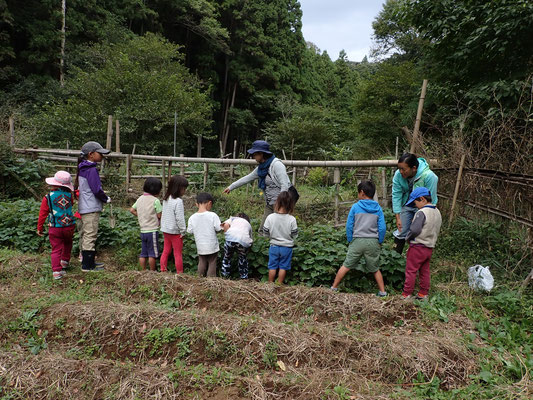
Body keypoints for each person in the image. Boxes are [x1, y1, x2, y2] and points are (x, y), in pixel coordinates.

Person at [331, 180, 387, 296]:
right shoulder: (378, 208)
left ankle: (333, 287)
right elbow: (382, 228)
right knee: (375, 268)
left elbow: (349, 225)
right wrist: (379, 241)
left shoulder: (355, 207)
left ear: (362, 193)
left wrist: (350, 239)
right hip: (372, 242)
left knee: (346, 265)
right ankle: (382, 292)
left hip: (357, 241)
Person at [223, 140, 293, 232]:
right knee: (263, 231)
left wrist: (281, 204)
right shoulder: (261, 168)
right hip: (270, 204)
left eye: (255, 154)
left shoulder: (277, 165)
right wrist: (231, 187)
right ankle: (265, 245)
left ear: (262, 154)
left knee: (279, 232)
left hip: (281, 204)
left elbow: (285, 185)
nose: (253, 156)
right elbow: (247, 178)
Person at [392, 153, 438, 254]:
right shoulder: (398, 175)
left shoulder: (429, 176)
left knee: (420, 233)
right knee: (401, 230)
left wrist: (419, 216)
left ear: (414, 168)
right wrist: (398, 216)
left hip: (423, 208)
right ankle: (394, 258)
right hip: (406, 204)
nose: (401, 172)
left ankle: (416, 259)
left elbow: (431, 200)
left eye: (403, 169)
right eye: (399, 168)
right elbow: (396, 194)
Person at [401, 187, 442, 301]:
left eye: (415, 203)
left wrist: (408, 238)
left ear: (422, 199)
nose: (415, 206)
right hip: (429, 246)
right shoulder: (437, 211)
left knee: (411, 270)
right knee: (424, 271)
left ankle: (406, 294)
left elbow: (414, 230)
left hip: (418, 246)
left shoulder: (421, 212)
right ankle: (423, 294)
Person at [76, 141, 111, 272]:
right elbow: (96, 189)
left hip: (85, 206)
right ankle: (87, 266)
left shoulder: (83, 168)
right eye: (99, 153)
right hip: (90, 207)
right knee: (90, 235)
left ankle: (90, 262)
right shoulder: (90, 170)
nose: (102, 156)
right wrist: (106, 198)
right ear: (91, 154)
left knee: (87, 234)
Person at [37, 171, 76, 280]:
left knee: (56, 248)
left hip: (55, 227)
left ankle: (57, 271)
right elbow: (70, 206)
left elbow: (42, 214)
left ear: (54, 184)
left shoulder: (48, 197)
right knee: (68, 243)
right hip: (69, 226)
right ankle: (65, 262)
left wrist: (39, 228)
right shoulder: (69, 195)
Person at [263, 191, 298, 284]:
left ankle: (270, 284)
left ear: (277, 202)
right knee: (283, 267)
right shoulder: (292, 219)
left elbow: (265, 232)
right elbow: (295, 235)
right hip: (287, 247)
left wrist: (269, 237)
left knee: (272, 266)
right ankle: (279, 285)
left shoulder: (270, 217)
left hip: (274, 246)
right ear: (290, 204)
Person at [130, 178, 163, 271]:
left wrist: (140, 215)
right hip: (152, 230)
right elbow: (159, 215)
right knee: (152, 254)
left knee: (143, 253)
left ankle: (142, 271)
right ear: (157, 190)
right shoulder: (155, 200)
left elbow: (132, 210)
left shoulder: (140, 199)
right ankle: (152, 271)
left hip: (143, 230)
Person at [187, 192, 222, 277]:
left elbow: (190, 231)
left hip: (200, 245)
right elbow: (218, 228)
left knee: (202, 261)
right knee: (212, 262)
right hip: (212, 245)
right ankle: (211, 280)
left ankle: (199, 278)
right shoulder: (213, 215)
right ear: (209, 203)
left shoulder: (192, 217)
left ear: (196, 204)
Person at [160, 175, 188, 273]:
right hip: (175, 232)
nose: (184, 191)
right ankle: (180, 273)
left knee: (166, 251)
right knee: (177, 253)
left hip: (165, 230)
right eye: (183, 189)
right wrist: (183, 231)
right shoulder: (178, 201)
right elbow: (180, 218)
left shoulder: (166, 198)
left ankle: (163, 270)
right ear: (178, 188)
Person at [221, 212, 253, 279]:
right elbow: (250, 239)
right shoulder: (248, 225)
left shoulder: (233, 219)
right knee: (242, 259)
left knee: (227, 257)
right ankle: (243, 277)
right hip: (243, 241)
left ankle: (225, 275)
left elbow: (225, 224)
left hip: (230, 238)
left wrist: (227, 234)